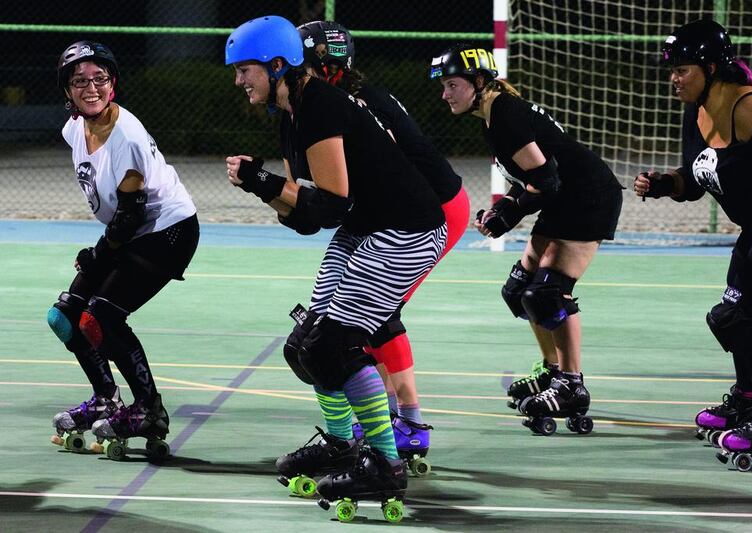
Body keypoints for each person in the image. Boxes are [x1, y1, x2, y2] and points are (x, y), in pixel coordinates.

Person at [224, 16, 446, 517]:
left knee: (336, 343)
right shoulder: (293, 114)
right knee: (305, 346)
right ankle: (342, 445)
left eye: (245, 70)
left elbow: (328, 204)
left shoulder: (321, 105)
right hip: (366, 226)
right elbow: (307, 219)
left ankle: (385, 463)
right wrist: (263, 186)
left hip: (405, 229)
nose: (239, 81)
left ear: (277, 65)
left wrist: (262, 180)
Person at [297, 20, 471, 471]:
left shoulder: (348, 101)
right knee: (367, 313)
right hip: (419, 206)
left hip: (432, 209)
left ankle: (406, 421)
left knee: (373, 313)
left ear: (316, 62)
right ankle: (392, 413)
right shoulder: (351, 93)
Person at [432, 44, 623, 435]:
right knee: (519, 290)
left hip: (588, 197)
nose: (445, 94)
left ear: (478, 82)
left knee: (548, 294)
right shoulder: (494, 113)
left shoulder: (504, 113)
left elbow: (547, 180)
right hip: (566, 197)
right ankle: (552, 371)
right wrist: (506, 210)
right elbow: (541, 181)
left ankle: (571, 385)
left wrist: (510, 211)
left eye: (452, 85)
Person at [634, 19, 752, 464]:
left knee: (741, 316)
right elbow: (697, 178)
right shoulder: (700, 111)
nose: (673, 78)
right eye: (671, 69)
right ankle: (749, 401)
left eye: (681, 69)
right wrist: (664, 184)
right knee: (731, 317)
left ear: (711, 67)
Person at [48, 41, 199, 457]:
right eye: (79, 81)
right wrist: (101, 252)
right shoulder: (74, 129)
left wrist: (100, 255)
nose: (90, 88)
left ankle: (149, 410)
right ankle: (104, 399)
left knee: (102, 320)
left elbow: (130, 216)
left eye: (100, 79)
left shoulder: (126, 136)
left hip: (168, 233)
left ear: (113, 85)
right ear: (67, 90)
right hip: (130, 232)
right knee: (63, 317)